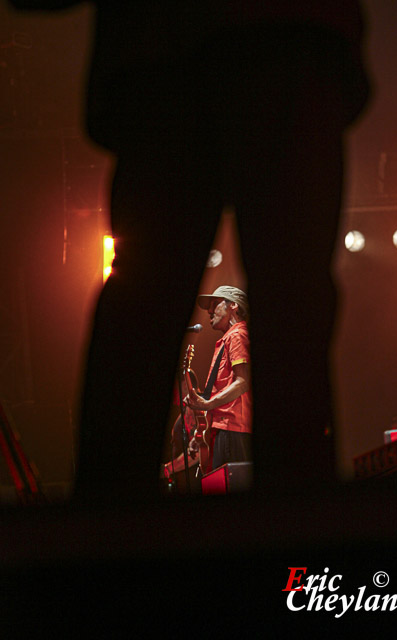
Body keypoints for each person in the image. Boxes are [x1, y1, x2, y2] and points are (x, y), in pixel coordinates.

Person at [8, 0, 370, 503]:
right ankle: (301, 532)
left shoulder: (230, 341)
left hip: (163, 47)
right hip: (287, 32)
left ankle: (106, 534)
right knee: (292, 301)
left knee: (144, 304)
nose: (216, 312)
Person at [186, 286, 252, 474]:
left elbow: (242, 381)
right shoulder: (227, 339)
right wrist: (200, 437)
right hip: (223, 427)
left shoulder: (237, 335)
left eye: (215, 304)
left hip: (233, 428)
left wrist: (207, 404)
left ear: (233, 305)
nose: (208, 311)